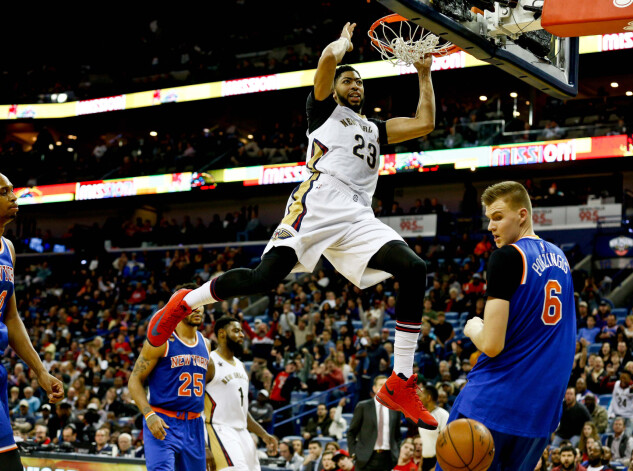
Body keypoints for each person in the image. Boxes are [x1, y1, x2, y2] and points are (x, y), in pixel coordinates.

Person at [148, 22, 439, 430]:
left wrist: (424, 75)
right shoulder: (322, 111)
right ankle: (186, 301)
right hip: (318, 202)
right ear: (335, 89)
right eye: (348, 80)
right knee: (262, 279)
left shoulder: (374, 129)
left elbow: (425, 123)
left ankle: (400, 381)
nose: (355, 85)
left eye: (359, 82)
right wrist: (342, 46)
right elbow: (324, 62)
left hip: (358, 214)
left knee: (415, 268)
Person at [451, 181, 577, 469]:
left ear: (522, 215)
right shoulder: (561, 258)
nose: (491, 227)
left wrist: (473, 328)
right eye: (489, 219)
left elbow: (492, 345)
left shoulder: (507, 256)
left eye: (498, 217)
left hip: (492, 403)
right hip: (540, 414)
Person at [0, 173, 65, 471]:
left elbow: (11, 317)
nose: (14, 197)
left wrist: (40, 371)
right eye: (4, 192)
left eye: (13, 190)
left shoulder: (8, 249)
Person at [127, 285, 212, 471]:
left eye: (201, 303)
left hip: (195, 425)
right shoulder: (161, 341)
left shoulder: (206, 344)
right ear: (178, 307)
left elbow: (207, 385)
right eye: (192, 303)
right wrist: (149, 415)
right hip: (163, 420)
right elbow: (134, 380)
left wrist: (207, 440)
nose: (198, 308)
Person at [205, 316, 278, 470]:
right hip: (220, 429)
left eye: (242, 331)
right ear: (222, 333)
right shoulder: (209, 362)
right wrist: (203, 445)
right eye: (236, 331)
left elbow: (242, 410)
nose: (242, 335)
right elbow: (194, 405)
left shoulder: (241, 365)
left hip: (242, 432)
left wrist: (263, 434)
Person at [347, 375, 402, 471]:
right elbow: (351, 432)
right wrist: (353, 453)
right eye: (381, 385)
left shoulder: (395, 409)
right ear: (374, 388)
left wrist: (397, 452)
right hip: (365, 458)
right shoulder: (363, 406)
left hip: (388, 458)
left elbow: (397, 435)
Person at [418, 384, 449, 471]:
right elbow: (425, 442)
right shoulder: (421, 416)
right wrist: (421, 465)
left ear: (428, 397)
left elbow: (447, 445)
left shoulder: (443, 415)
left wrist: (437, 467)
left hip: (438, 462)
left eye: (419, 395)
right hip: (425, 461)